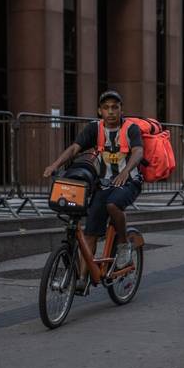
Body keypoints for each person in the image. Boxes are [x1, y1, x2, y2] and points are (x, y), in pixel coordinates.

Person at [43, 89, 143, 282]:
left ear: (121, 109)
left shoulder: (131, 129)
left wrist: (125, 171)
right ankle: (82, 278)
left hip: (129, 181)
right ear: (100, 111)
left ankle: (123, 245)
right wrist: (55, 165)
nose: (111, 111)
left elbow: (138, 151)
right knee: (90, 231)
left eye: (115, 107)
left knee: (113, 205)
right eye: (106, 108)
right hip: (103, 184)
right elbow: (74, 148)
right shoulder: (94, 129)